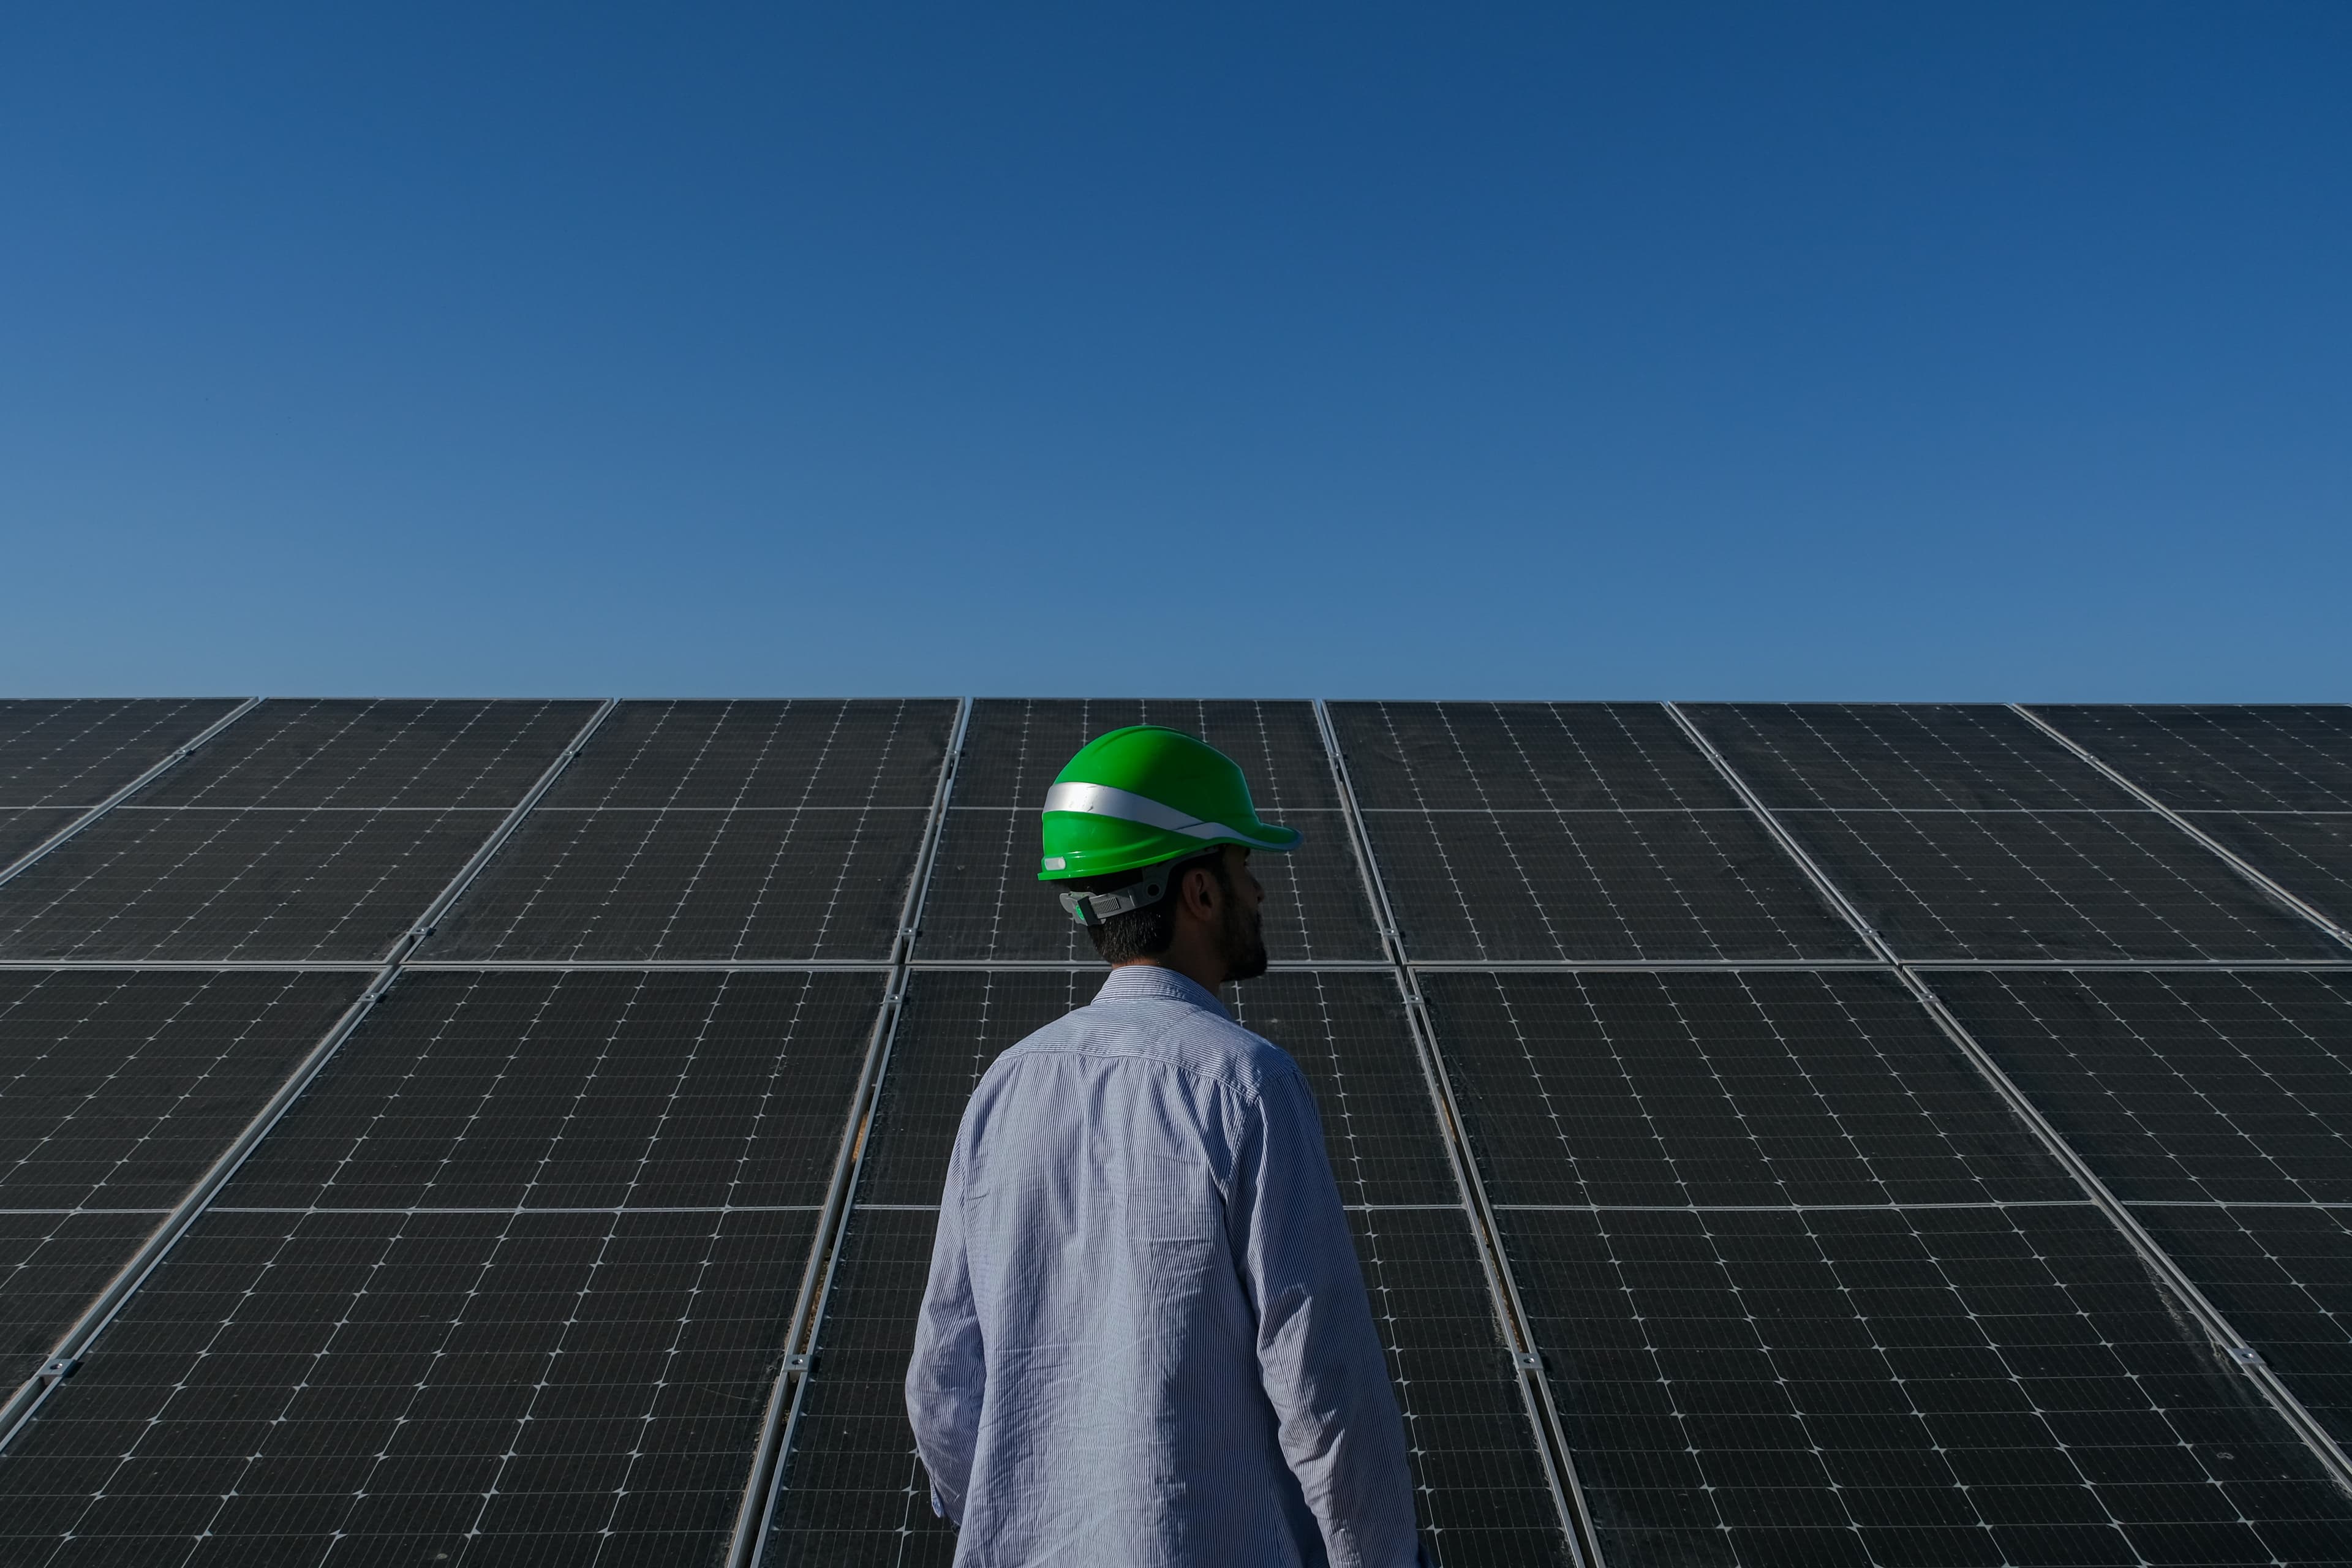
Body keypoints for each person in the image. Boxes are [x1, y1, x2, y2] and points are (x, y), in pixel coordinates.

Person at [906, 725, 1428, 1567]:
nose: (1258, 890)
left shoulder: (1006, 1085)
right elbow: (1322, 1380)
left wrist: (1012, 1515)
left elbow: (943, 1378)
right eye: (1242, 866)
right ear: (1199, 894)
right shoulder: (1245, 1082)